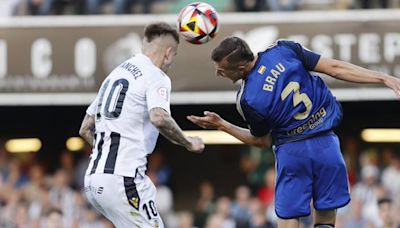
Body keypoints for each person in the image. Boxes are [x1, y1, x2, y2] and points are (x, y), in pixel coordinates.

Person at [187, 36, 400, 228]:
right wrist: (384, 78)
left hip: (292, 152)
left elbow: (261, 141)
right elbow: (335, 68)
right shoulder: (283, 49)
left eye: (222, 70)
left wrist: (222, 125)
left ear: (241, 67)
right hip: (326, 145)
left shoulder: (248, 99)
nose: (218, 73)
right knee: (326, 215)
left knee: (289, 218)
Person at [79, 22, 204, 228]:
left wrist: (106, 153)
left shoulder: (115, 75)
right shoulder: (156, 76)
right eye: (174, 55)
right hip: (123, 179)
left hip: (94, 180)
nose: (172, 61)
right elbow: (159, 117)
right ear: (169, 53)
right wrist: (188, 142)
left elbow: (85, 128)